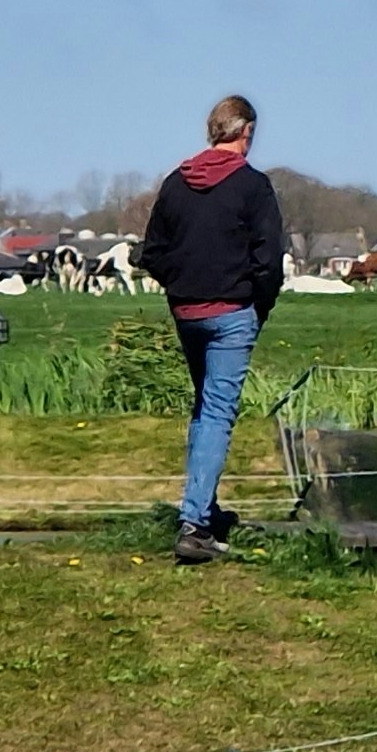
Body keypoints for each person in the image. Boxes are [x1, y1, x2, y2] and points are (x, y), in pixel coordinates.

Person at [135, 93, 288, 562]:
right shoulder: (253, 187)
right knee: (218, 413)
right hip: (232, 312)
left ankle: (203, 505)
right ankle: (195, 524)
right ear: (246, 133)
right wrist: (259, 307)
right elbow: (269, 259)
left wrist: (178, 288)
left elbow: (151, 252)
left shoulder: (174, 185)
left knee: (205, 409)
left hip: (187, 312)